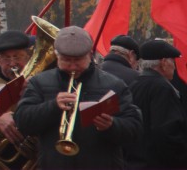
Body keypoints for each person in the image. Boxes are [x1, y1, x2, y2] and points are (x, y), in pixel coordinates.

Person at [14, 25, 142, 169]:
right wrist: (52, 106)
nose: (73, 67)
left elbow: (134, 128)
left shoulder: (114, 85)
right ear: (57, 56)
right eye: (67, 60)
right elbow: (22, 121)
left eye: (78, 60)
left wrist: (112, 125)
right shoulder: (39, 83)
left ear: (90, 55)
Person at [127, 39, 187, 169]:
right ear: (163, 63)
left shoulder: (135, 84)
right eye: (173, 61)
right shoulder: (163, 88)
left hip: (136, 161)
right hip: (159, 163)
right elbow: (166, 131)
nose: (174, 66)